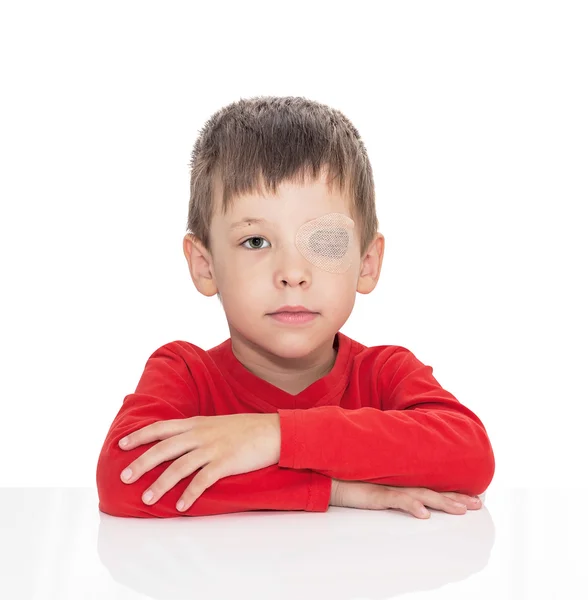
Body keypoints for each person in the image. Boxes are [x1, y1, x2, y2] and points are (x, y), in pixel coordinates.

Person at [96, 96, 495, 519]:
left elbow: (469, 456)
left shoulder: (384, 374)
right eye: (256, 241)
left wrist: (274, 436)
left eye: (323, 241)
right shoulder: (185, 374)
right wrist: (334, 489)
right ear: (204, 265)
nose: (292, 273)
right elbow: (124, 479)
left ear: (367, 263)